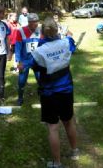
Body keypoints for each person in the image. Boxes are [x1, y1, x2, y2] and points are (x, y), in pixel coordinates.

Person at [31, 17, 78, 168]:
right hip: (66, 90)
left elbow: (35, 67)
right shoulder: (65, 42)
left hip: (49, 93)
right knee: (68, 121)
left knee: (53, 127)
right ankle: (75, 151)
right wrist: (69, 35)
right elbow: (71, 41)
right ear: (57, 30)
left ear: (42, 34)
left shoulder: (39, 51)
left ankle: (57, 163)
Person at [15, 13, 41, 105]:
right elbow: (17, 47)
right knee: (22, 80)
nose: (35, 24)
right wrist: (18, 61)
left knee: (40, 78)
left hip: (37, 60)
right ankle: (20, 97)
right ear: (29, 22)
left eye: (36, 22)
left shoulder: (40, 30)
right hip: (24, 60)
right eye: (33, 22)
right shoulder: (21, 31)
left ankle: (41, 92)